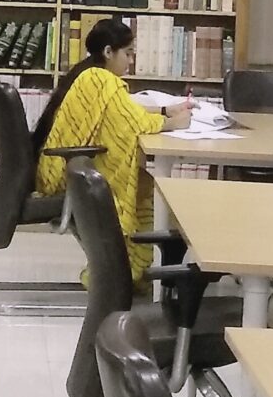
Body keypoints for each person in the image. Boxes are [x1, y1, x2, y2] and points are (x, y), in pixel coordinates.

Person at [33, 17, 190, 280]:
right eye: (127, 54)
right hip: (67, 173)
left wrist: (164, 110)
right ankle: (126, 272)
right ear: (108, 52)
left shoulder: (90, 74)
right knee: (146, 189)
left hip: (64, 167)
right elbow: (132, 121)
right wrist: (173, 123)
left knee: (144, 185)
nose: (130, 62)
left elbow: (122, 110)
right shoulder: (101, 79)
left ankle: (132, 268)